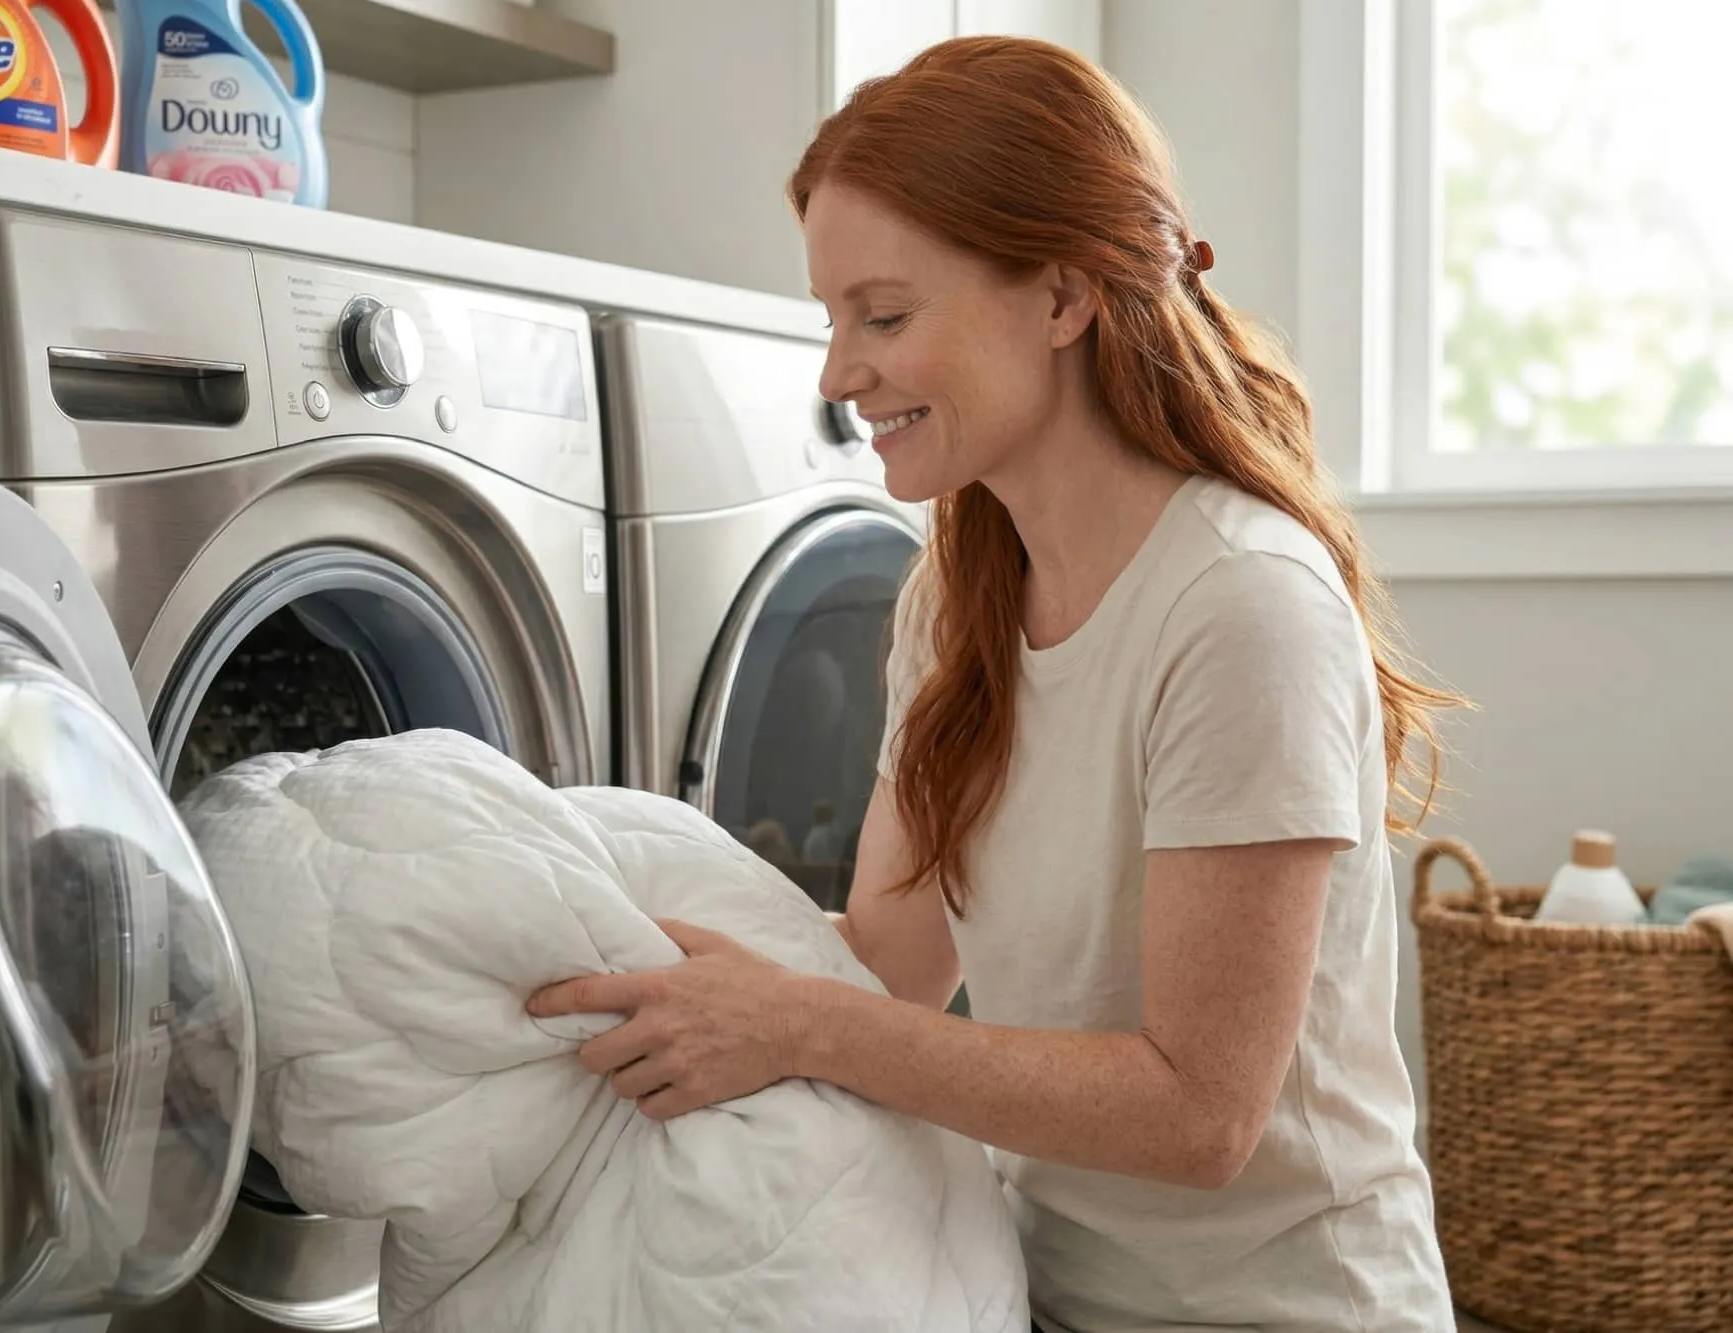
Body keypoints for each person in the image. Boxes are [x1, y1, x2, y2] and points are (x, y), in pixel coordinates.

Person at [529, 35, 1463, 1333]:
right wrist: (619, 976)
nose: (839, 374)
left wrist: (795, 1023)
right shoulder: (956, 597)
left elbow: (1201, 1115)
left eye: (886, 315)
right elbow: (893, 968)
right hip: (1030, 1291)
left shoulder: (1241, 605)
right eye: (833, 319)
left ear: (1065, 295)